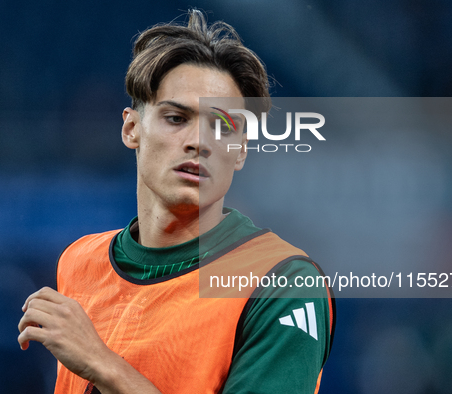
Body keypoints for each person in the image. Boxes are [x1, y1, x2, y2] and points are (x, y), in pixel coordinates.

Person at [18, 10, 335, 394]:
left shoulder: (282, 281)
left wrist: (102, 363)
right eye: (176, 118)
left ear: (240, 152)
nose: (199, 141)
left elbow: (98, 365)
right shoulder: (79, 261)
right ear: (131, 128)